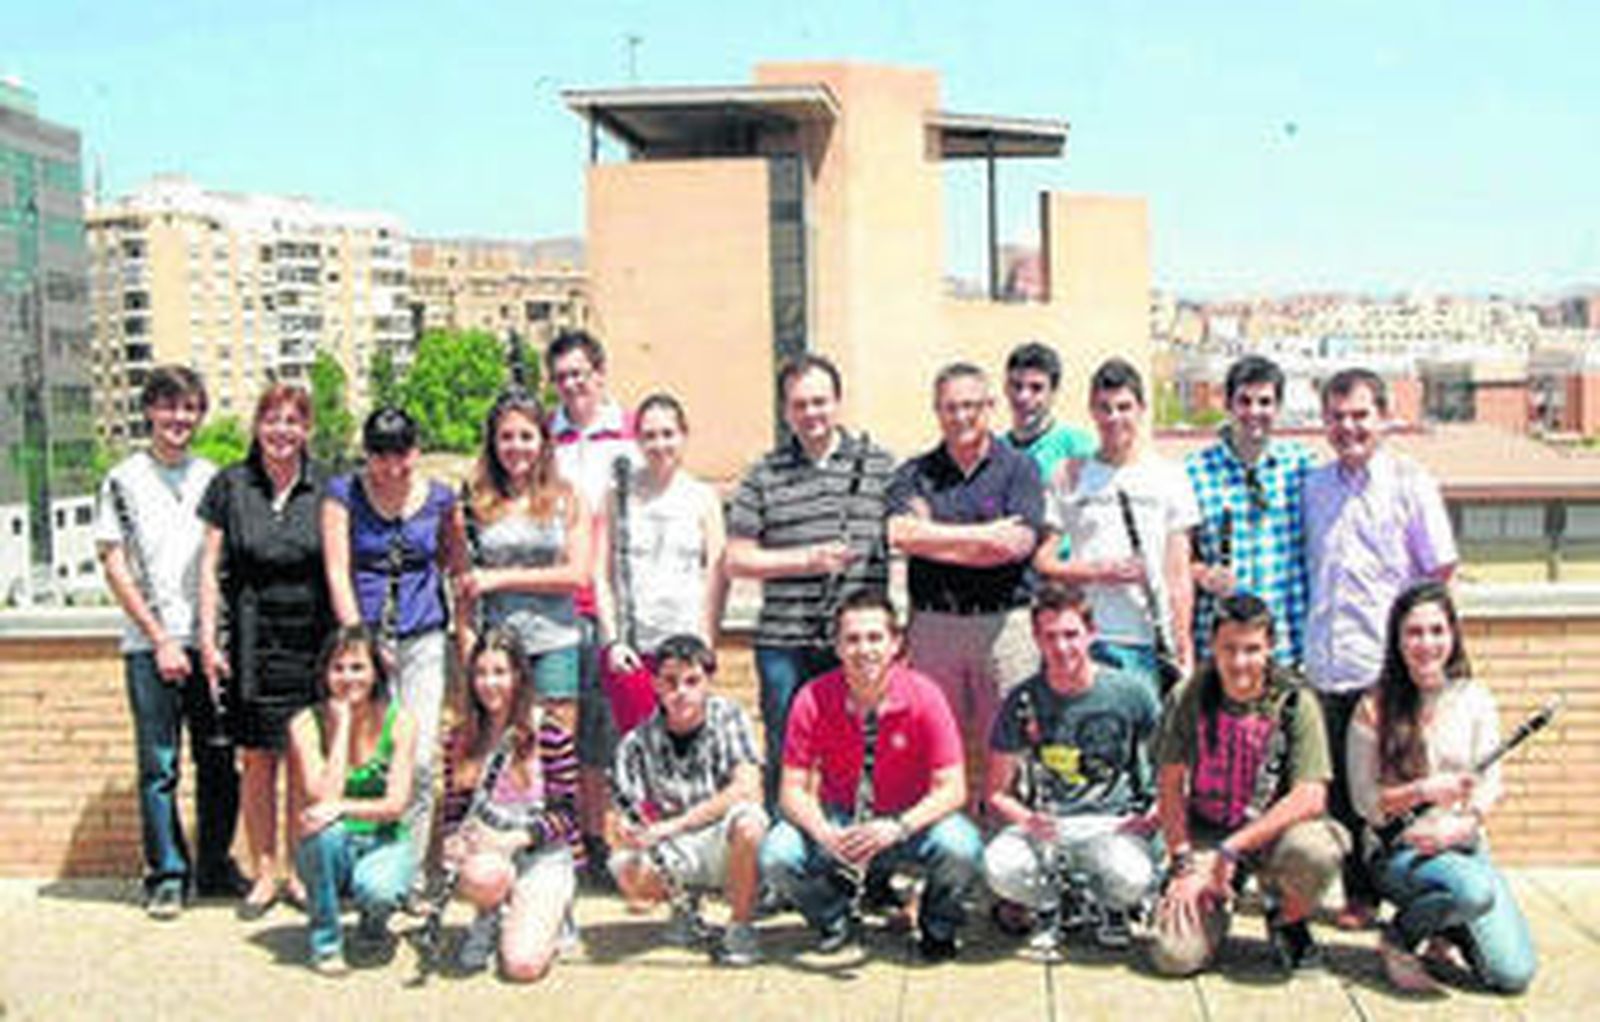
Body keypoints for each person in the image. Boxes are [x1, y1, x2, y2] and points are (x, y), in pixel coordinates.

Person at [1304, 367, 1458, 929]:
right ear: (1324, 421)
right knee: (1344, 793)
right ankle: (1360, 896)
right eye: (1338, 417)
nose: (1349, 427)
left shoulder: (1410, 483)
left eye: (1360, 415)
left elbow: (1439, 574)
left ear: (1384, 417)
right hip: (1326, 666)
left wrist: (1429, 664)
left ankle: (1430, 909)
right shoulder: (1314, 487)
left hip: (1385, 667)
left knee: (1403, 787)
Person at [759, 590, 982, 962]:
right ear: (837, 647)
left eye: (875, 637)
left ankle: (938, 925)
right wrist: (825, 834)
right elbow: (792, 791)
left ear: (895, 643)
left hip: (906, 821)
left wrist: (898, 826)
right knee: (776, 855)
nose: (865, 650)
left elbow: (953, 787)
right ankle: (833, 917)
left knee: (962, 846)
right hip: (841, 819)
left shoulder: (925, 695)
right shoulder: (812, 698)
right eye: (853, 639)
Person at [95, 365, 242, 918]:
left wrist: (210, 639)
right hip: (148, 644)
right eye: (168, 407)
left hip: (207, 642)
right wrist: (159, 638)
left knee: (218, 760)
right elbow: (114, 565)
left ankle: (214, 865)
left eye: (189, 408)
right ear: (150, 411)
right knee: (159, 766)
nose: (178, 418)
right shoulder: (122, 479)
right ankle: (166, 875)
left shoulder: (214, 477)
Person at [1347, 582, 1535, 994]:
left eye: (1437, 631)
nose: (1426, 643)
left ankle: (1448, 928)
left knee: (1513, 975)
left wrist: (1464, 825)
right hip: (1401, 851)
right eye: (1413, 633)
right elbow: (1365, 803)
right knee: (1473, 891)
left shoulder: (1474, 698)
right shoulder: (1373, 706)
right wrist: (1425, 790)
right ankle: (1398, 938)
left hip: (1464, 846)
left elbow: (1491, 785)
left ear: (1453, 635)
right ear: (1397, 641)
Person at [1149, 593, 1349, 977]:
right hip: (1208, 830)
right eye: (1229, 649)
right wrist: (1183, 865)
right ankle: (1214, 911)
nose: (1240, 662)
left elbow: (1311, 795)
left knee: (1318, 850)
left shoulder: (1295, 700)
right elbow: (1170, 784)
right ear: (1213, 646)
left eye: (1252, 649)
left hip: (1271, 836)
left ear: (1270, 646)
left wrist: (1234, 848)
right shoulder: (1189, 695)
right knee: (1174, 957)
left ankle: (1286, 919)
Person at [726, 354, 894, 810]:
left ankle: (858, 853)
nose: (811, 414)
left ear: (838, 403)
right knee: (787, 750)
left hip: (856, 642)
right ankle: (786, 855)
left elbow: (909, 535)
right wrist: (807, 560)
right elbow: (736, 558)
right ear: (785, 410)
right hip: (785, 641)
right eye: (800, 404)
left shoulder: (880, 467)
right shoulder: (764, 473)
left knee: (862, 748)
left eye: (820, 402)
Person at [887, 362, 1043, 813]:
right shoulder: (915, 473)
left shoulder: (1019, 468)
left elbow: (1015, 546)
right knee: (938, 742)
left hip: (1005, 627)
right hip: (935, 626)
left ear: (990, 407)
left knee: (1009, 740)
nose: (961, 417)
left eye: (971, 406)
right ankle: (948, 844)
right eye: (951, 407)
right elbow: (899, 534)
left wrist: (934, 537)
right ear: (937, 411)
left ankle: (1006, 847)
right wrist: (983, 535)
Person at [198, 383, 329, 918]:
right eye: (272, 420)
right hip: (252, 639)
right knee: (257, 761)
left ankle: (298, 871)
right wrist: (209, 638)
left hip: (310, 640)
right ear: (257, 426)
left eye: (293, 421)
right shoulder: (230, 484)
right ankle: (263, 871)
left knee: (302, 760)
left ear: (307, 430)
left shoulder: (327, 488)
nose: (282, 431)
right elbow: (209, 568)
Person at [322, 406, 458, 907]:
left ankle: (415, 874)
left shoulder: (440, 498)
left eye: (399, 455)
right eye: (379, 456)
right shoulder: (344, 495)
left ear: (414, 452)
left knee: (419, 760)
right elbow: (338, 569)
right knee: (368, 757)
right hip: (365, 645)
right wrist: (360, 638)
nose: (389, 467)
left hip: (422, 638)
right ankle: (367, 866)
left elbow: (450, 560)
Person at [984, 583, 1160, 952]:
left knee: (1132, 875)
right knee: (998, 865)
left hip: (1113, 820)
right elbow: (996, 792)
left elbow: (1174, 765)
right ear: (1036, 638)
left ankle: (1111, 904)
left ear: (1091, 634)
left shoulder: (1131, 692)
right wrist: (1028, 820)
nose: (1061, 647)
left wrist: (1155, 814)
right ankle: (1053, 902)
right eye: (1050, 636)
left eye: (1071, 634)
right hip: (1050, 824)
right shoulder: (1023, 699)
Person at [1035, 357, 1198, 695]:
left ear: (1141, 409)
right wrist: (1096, 572)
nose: (1114, 418)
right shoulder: (1069, 475)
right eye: (1104, 408)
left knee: (1147, 746)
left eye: (1124, 407)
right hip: (1087, 638)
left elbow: (1179, 574)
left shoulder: (1171, 477)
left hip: (1149, 642)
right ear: (1092, 411)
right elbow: (1044, 562)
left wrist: (1183, 642)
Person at [610, 635, 767, 966]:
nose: (681, 692)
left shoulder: (730, 717)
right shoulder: (635, 742)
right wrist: (628, 829)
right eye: (670, 682)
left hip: (719, 837)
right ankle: (685, 903)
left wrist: (673, 826)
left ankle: (740, 925)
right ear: (655, 684)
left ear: (709, 681)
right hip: (674, 844)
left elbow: (746, 788)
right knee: (627, 871)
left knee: (751, 823)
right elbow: (625, 811)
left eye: (693, 681)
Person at [437, 627, 581, 982]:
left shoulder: (548, 734)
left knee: (523, 965)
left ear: (518, 675)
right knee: (482, 875)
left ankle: (550, 913)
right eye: (481, 673)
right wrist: (453, 839)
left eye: (500, 672)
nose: (490, 684)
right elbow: (455, 809)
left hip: (541, 854)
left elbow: (567, 815)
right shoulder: (460, 737)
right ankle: (489, 915)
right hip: (490, 857)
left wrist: (517, 838)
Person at [544, 329, 637, 877]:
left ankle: (617, 836)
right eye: (561, 377)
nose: (572, 385)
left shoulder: (628, 435)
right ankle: (577, 838)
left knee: (612, 726)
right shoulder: (544, 440)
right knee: (566, 727)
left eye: (580, 373)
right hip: (558, 602)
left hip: (616, 605)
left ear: (600, 374)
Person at [595, 393, 729, 737]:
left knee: (684, 750)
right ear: (637, 440)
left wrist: (706, 641)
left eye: (668, 434)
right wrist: (612, 641)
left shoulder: (702, 498)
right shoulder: (617, 496)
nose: (659, 444)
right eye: (649, 435)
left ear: (683, 435)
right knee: (639, 751)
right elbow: (601, 573)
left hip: (685, 646)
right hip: (635, 649)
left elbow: (716, 572)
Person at [289, 626, 418, 976]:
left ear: (375, 671)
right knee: (322, 831)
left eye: (358, 667)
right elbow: (321, 796)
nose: (348, 677)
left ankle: (374, 922)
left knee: (377, 890)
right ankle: (326, 942)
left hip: (384, 840)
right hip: (333, 845)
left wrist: (343, 808)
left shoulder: (400, 722)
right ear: (325, 673)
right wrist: (343, 725)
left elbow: (396, 805)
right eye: (338, 668)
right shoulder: (305, 723)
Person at [1184, 355, 1313, 666]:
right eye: (1244, 401)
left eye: (1265, 402)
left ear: (1278, 408)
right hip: (1221, 648)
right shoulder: (1194, 472)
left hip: (1285, 646)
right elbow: (1177, 558)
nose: (1255, 412)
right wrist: (1203, 574)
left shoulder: (1301, 468)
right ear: (1228, 405)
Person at [1000, 340, 1098, 493]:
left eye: (1036, 388)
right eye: (1017, 386)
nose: (1024, 396)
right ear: (1005, 388)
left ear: (1054, 392)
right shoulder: (993, 452)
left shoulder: (1078, 447)